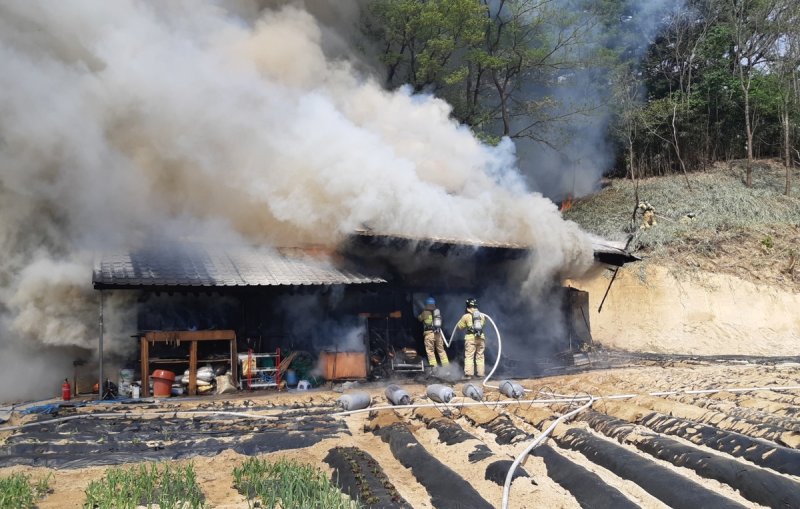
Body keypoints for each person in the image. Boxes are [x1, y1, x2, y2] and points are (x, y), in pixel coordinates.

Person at [418, 296, 449, 371]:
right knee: (441, 351)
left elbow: (419, 318)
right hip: (438, 334)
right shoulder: (437, 312)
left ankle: (434, 369)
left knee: (430, 352)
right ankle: (447, 368)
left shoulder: (425, 312)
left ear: (426, 304)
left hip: (429, 334)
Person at [457, 298, 486, 379]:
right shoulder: (482, 315)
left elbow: (460, 326)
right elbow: (483, 324)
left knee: (469, 356)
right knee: (480, 356)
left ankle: (469, 375)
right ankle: (481, 374)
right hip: (481, 338)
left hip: (470, 338)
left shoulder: (466, 316)